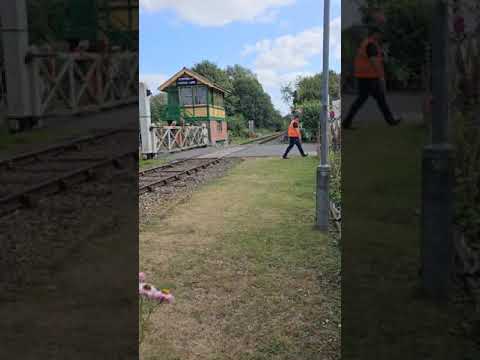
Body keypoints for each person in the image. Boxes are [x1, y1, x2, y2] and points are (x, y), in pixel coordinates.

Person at [342, 25, 401, 129]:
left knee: (369, 100)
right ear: (375, 34)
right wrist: (381, 76)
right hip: (369, 77)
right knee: (375, 99)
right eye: (380, 34)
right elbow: (374, 62)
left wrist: (382, 58)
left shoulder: (368, 43)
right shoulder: (371, 45)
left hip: (365, 76)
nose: (381, 36)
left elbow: (374, 59)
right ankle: (391, 121)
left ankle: (346, 122)